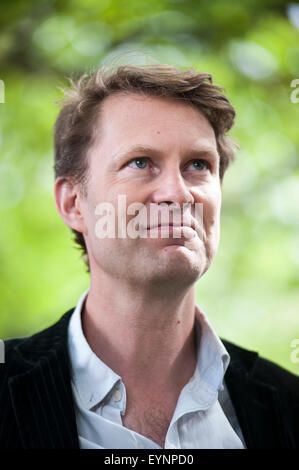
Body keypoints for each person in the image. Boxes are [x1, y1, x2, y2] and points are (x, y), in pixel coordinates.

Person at [0, 64, 298, 449]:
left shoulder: (288, 406)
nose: (178, 193)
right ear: (74, 203)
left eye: (198, 165)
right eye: (140, 163)